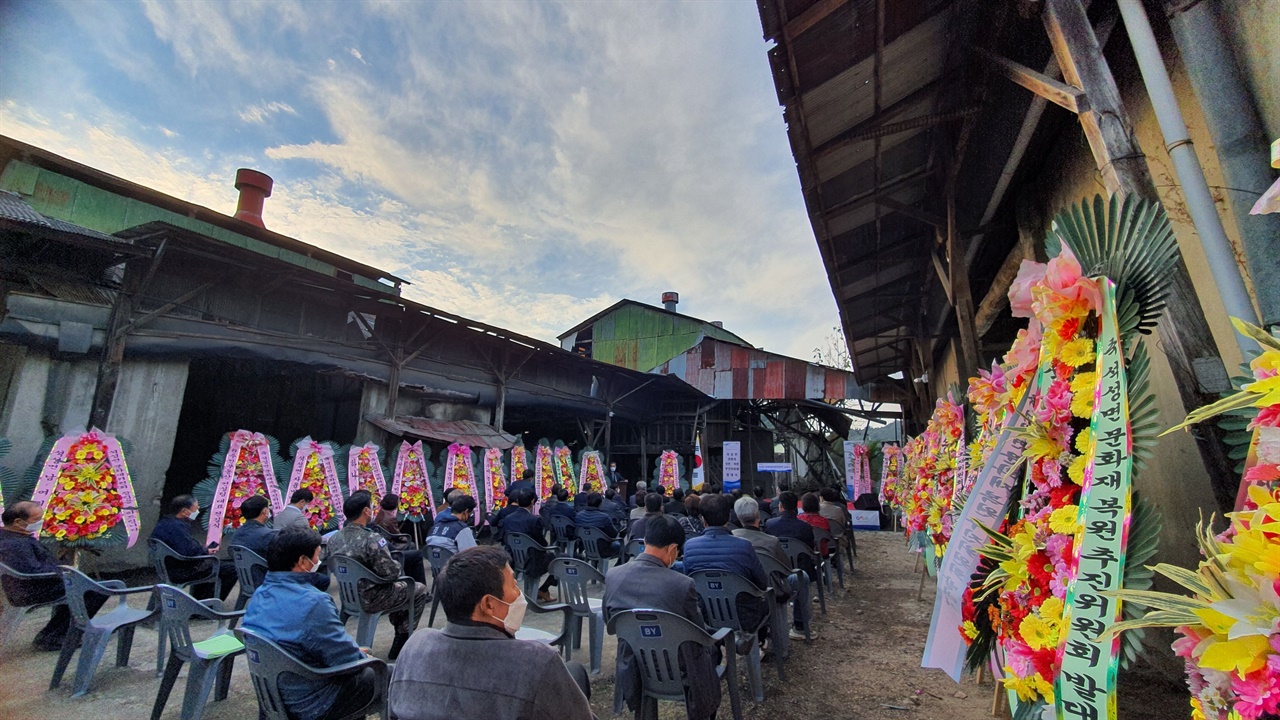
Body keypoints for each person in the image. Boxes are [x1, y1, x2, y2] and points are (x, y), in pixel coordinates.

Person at [388, 546, 594, 720]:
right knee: (575, 672)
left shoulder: (415, 645)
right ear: (488, 604)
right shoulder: (536, 660)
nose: (519, 594)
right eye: (514, 585)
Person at [243, 528, 382, 720]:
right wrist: (360, 655)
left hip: (274, 696)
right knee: (387, 675)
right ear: (302, 562)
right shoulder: (314, 602)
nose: (318, 562)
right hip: (313, 702)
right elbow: (346, 661)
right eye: (317, 556)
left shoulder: (259, 595)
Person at [603, 515, 720, 720]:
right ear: (673, 549)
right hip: (680, 668)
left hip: (635, 665)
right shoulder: (682, 585)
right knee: (712, 651)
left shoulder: (614, 576)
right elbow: (699, 634)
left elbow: (610, 622)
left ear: (645, 541)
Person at [326, 491, 429, 660]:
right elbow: (390, 573)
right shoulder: (371, 538)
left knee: (400, 588)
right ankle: (402, 639)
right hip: (374, 597)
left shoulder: (334, 539)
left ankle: (400, 637)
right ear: (366, 511)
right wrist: (397, 565)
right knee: (417, 589)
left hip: (349, 597)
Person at [0, 502, 108, 650]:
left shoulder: (9, 536)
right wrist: (64, 573)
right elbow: (33, 572)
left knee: (88, 586)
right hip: (30, 590)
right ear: (18, 522)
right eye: (36, 519)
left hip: (28, 585)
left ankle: (53, 633)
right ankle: (55, 637)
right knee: (96, 590)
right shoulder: (15, 545)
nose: (41, 522)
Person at [682, 493, 771, 635]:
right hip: (744, 615)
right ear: (729, 518)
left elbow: (691, 583)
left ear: (703, 520)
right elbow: (762, 583)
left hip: (706, 615)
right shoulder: (744, 546)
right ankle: (759, 644)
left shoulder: (689, 546)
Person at [732, 496, 812, 640]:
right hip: (771, 588)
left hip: (740, 589)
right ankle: (800, 625)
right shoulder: (771, 541)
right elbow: (785, 569)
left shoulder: (732, 538)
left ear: (738, 517)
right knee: (802, 576)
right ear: (758, 514)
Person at [151, 495, 239, 601]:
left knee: (215, 563)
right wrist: (206, 551)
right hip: (182, 570)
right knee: (231, 569)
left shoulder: (165, 522)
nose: (197, 511)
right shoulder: (177, 528)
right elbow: (188, 552)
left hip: (170, 567)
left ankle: (200, 599)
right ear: (184, 511)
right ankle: (208, 603)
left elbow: (185, 546)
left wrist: (203, 549)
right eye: (196, 508)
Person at [498, 488, 557, 603]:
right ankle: (543, 589)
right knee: (557, 560)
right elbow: (542, 543)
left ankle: (540, 592)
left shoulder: (508, 519)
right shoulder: (534, 520)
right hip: (532, 560)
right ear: (532, 501)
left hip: (513, 558)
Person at [574, 493, 620, 559]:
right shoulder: (604, 517)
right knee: (621, 546)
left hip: (585, 547)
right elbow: (613, 534)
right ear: (600, 504)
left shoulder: (579, 515)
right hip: (603, 549)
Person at [799, 492, 832, 557]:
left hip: (803, 552)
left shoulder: (799, 519)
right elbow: (827, 537)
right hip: (822, 552)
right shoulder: (823, 521)